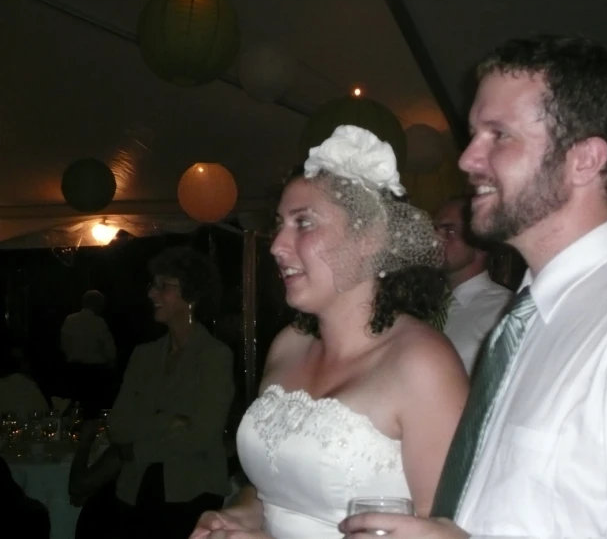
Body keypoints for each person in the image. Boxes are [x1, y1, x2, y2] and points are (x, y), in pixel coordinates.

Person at [341, 34, 607, 538]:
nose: (467, 159)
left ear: (585, 160)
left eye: (498, 135)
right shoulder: (528, 320)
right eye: (473, 134)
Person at [192, 125, 468, 539]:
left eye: (303, 223)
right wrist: (244, 514)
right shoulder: (288, 345)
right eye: (280, 223)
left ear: (370, 238)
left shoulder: (423, 364)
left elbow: (442, 529)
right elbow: (270, 486)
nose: (276, 245)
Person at [107, 247, 234, 538]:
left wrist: (137, 449)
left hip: (193, 492)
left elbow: (204, 435)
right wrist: (169, 421)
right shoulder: (143, 355)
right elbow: (117, 426)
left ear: (192, 295)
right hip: (135, 489)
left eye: (163, 286)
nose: (151, 294)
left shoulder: (215, 356)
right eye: (152, 285)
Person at [434, 197, 512, 372]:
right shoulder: (424, 303)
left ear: (480, 244)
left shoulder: (502, 310)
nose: (435, 239)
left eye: (450, 231)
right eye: (434, 229)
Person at [60, 290, 117, 411]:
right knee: (94, 409)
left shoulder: (69, 320)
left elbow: (64, 344)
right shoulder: (99, 322)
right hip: (95, 374)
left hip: (73, 371)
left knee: (75, 409)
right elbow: (110, 349)